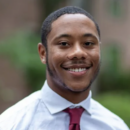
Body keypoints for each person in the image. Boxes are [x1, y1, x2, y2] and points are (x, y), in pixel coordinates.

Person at [0, 6, 129, 130]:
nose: (78, 53)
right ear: (43, 53)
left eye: (88, 43)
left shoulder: (115, 126)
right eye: (64, 44)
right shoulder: (11, 124)